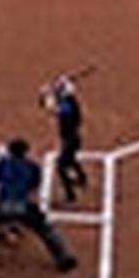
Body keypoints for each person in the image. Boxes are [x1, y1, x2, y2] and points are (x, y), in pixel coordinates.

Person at [0, 138, 77, 272]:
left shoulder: (2, 165)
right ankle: (64, 258)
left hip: (2, 205)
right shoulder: (32, 166)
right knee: (46, 230)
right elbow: (34, 186)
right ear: (25, 152)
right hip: (23, 206)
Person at [43, 75, 88, 204]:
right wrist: (56, 87)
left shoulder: (68, 106)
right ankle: (82, 178)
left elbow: (52, 109)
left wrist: (46, 94)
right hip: (72, 138)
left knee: (61, 167)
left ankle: (70, 195)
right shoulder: (70, 101)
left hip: (70, 140)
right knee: (71, 159)